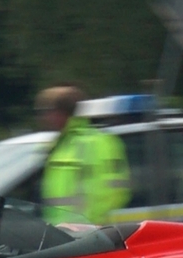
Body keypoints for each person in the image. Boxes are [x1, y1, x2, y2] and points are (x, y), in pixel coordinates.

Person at [36, 85, 131, 226]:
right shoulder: (59, 144)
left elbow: (116, 188)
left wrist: (89, 225)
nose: (44, 117)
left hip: (87, 233)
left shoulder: (98, 142)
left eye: (47, 111)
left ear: (61, 113)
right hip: (61, 232)